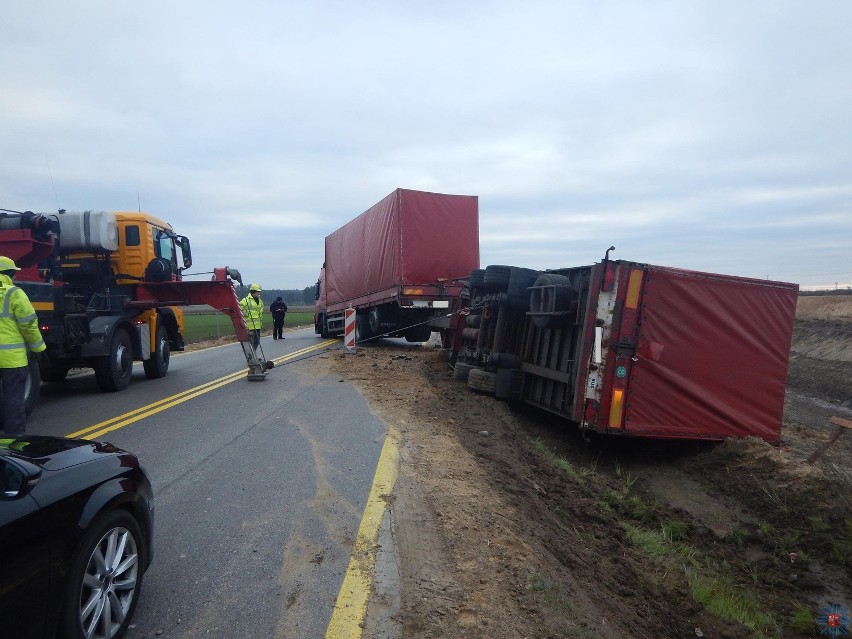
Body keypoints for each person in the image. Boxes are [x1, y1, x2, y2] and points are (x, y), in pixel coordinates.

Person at [0, 256, 46, 436]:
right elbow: (28, 325)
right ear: (9, 274)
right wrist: (38, 349)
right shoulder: (14, 293)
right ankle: (14, 441)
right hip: (12, 360)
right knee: (13, 400)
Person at [239, 283, 264, 350]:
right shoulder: (246, 300)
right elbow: (240, 307)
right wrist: (246, 313)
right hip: (250, 326)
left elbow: (260, 312)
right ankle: (251, 356)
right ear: (254, 291)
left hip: (258, 325)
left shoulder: (260, 300)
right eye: (258, 292)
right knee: (251, 342)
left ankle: (254, 355)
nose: (259, 293)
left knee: (256, 342)